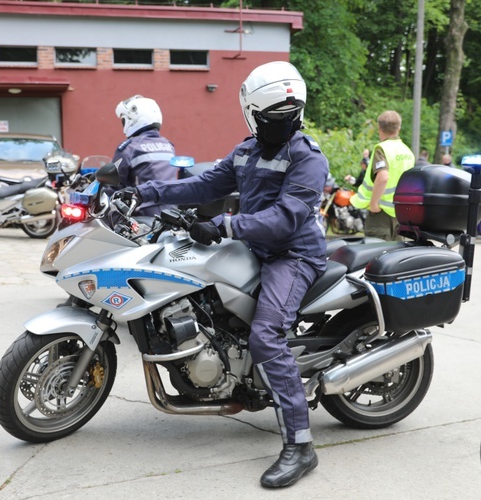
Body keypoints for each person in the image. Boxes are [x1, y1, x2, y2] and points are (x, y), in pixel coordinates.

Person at [129, 61, 326, 488]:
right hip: (252, 247)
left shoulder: (308, 158)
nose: (277, 124)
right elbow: (202, 185)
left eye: (283, 118)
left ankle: (301, 444)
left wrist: (225, 226)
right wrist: (144, 192)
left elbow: (286, 218)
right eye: (272, 117)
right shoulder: (246, 151)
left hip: (292, 256)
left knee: (267, 335)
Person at [350, 110, 415, 241]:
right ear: (399, 128)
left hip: (380, 213)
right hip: (400, 214)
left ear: (379, 129)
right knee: (396, 257)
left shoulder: (382, 148)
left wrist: (374, 204)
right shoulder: (407, 152)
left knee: (376, 256)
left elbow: (383, 177)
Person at [112, 95, 177, 216]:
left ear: (134, 119)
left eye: (124, 120)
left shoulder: (130, 147)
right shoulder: (169, 145)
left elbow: (114, 182)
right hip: (172, 213)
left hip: (143, 215)